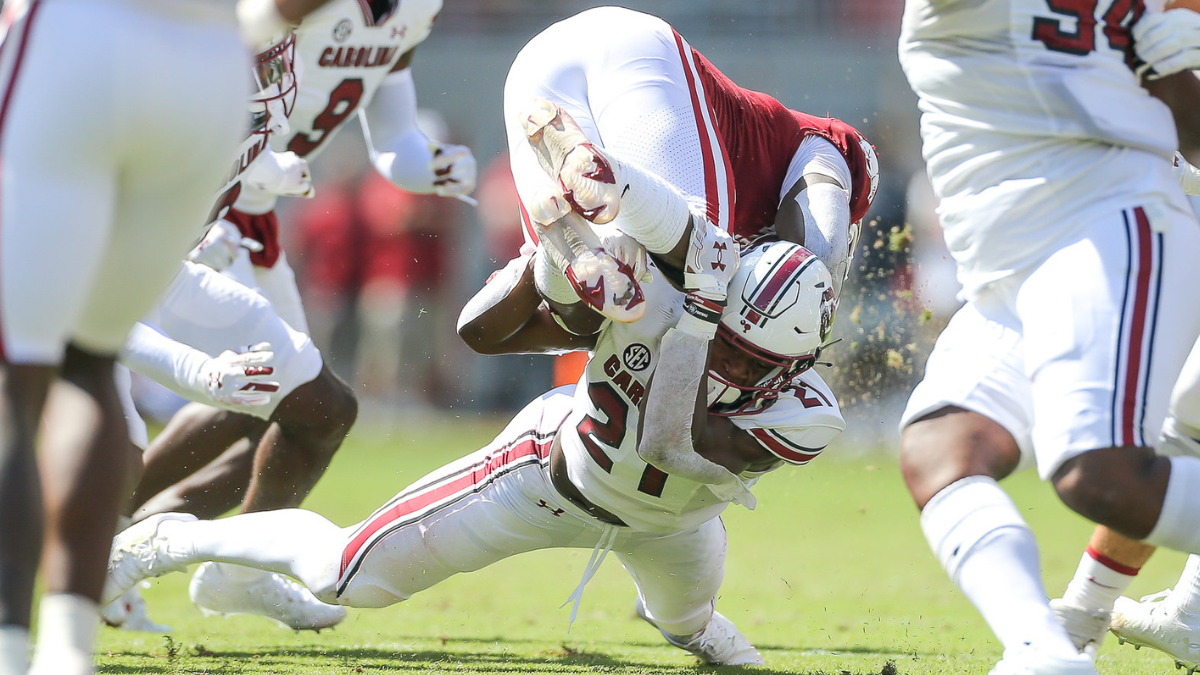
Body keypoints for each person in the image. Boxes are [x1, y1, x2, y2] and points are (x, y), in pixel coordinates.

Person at [102, 223, 844, 667]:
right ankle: (175, 540)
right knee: (346, 576)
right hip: (543, 479)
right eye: (730, 342)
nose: (733, 363)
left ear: (798, 362)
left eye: (754, 361)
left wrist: (696, 319)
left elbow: (672, 438)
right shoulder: (663, 297)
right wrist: (551, 258)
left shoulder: (808, 412)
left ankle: (688, 621)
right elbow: (480, 331)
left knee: (688, 622)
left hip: (674, 524)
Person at [0, 0, 341, 672]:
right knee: (90, 366)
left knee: (24, 381)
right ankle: (68, 651)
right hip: (209, 69)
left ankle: (11, 647)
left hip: (79, 38)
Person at [121, 0, 476, 628]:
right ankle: (115, 538)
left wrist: (428, 165)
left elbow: (391, 139)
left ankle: (181, 553)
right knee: (295, 404)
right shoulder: (287, 14)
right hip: (212, 198)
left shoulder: (413, 12)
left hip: (249, 193)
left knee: (290, 411)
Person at [896, 0, 1200, 673]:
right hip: (1003, 269)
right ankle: (1046, 653)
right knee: (939, 450)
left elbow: (1190, 125)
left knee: (1103, 477)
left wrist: (1176, 68)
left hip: (1106, 228)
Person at [500, 5, 877, 323]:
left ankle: (564, 237)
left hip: (530, 77)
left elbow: (482, 329)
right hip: (633, 51)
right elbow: (816, 255)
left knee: (586, 319)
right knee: (706, 267)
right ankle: (608, 179)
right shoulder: (824, 147)